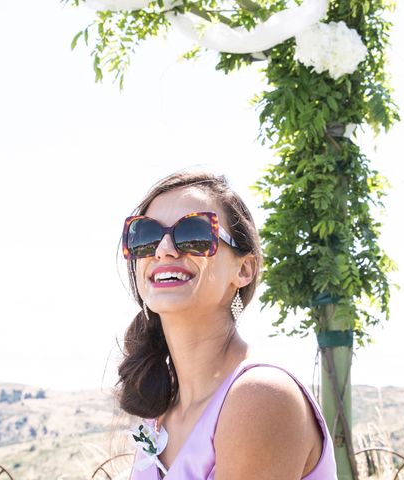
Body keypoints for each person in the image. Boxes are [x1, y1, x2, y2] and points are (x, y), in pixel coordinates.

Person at [117, 169, 337, 479]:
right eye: (146, 236)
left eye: (193, 234)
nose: (163, 249)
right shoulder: (161, 416)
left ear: (245, 269)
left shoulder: (259, 396)